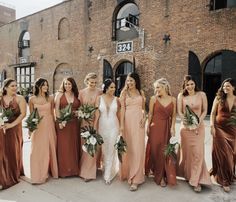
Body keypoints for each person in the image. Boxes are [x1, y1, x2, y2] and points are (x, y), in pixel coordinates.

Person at [177, 75, 211, 192]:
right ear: (184, 86)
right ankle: (188, 175)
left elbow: (205, 110)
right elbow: (180, 112)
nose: (190, 86)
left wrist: (197, 121)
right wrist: (186, 121)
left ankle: (196, 180)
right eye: (187, 85)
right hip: (185, 129)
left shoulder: (202, 95)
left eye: (192, 84)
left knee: (197, 153)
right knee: (187, 154)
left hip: (198, 128)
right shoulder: (181, 96)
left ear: (195, 84)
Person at [145, 78, 176, 187]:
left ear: (164, 87)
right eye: (155, 87)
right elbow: (150, 114)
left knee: (164, 152)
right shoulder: (153, 99)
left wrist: (173, 128)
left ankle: (162, 176)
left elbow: (174, 116)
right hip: (155, 127)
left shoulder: (173, 100)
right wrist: (148, 127)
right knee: (155, 151)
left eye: (158, 87)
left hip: (166, 128)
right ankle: (156, 171)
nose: (156, 89)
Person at [120, 72, 146, 191]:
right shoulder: (124, 93)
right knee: (129, 149)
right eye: (128, 81)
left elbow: (143, 109)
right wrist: (121, 125)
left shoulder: (141, 93)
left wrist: (144, 118)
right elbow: (122, 110)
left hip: (139, 124)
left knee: (138, 149)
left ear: (136, 81)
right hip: (127, 122)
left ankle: (137, 178)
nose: (129, 83)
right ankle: (128, 173)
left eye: (131, 80)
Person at [28, 78, 58, 184]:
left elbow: (52, 113)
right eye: (43, 85)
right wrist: (30, 129)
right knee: (37, 150)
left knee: (49, 148)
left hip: (49, 125)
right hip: (38, 126)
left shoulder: (50, 98)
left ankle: (49, 171)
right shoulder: (32, 99)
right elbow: (31, 116)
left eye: (47, 85)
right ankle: (38, 174)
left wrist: (56, 126)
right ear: (38, 86)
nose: (46, 87)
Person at [210, 78, 236, 192]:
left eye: (228, 86)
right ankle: (224, 180)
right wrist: (211, 126)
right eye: (224, 86)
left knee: (231, 154)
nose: (225, 88)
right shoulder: (218, 98)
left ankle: (230, 174)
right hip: (219, 129)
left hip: (233, 130)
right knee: (223, 154)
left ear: (233, 88)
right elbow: (212, 113)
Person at [0, 78, 26, 189]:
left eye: (16, 85)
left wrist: (11, 125)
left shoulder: (20, 98)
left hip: (15, 128)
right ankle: (3, 176)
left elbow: (23, 114)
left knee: (13, 150)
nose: (15, 88)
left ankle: (13, 175)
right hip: (2, 128)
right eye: (12, 86)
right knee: (2, 152)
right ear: (5, 87)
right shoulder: (0, 98)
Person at [94, 79, 119, 184]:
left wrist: (121, 127)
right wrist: (95, 127)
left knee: (112, 148)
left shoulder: (117, 99)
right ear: (106, 88)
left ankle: (107, 175)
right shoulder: (99, 98)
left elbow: (120, 113)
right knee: (104, 149)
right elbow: (96, 114)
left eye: (114, 87)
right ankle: (106, 167)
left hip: (114, 126)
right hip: (102, 126)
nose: (113, 89)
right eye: (111, 87)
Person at [55, 77, 81, 177]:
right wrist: (60, 121)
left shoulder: (76, 95)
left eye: (69, 84)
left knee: (73, 145)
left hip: (74, 124)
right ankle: (64, 171)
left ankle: (74, 170)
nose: (67, 86)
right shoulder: (59, 94)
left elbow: (79, 107)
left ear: (73, 85)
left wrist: (78, 112)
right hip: (62, 124)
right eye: (65, 84)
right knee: (64, 146)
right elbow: (56, 109)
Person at [79, 72, 102, 181]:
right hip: (84, 122)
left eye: (95, 82)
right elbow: (79, 107)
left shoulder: (100, 92)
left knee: (93, 146)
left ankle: (91, 171)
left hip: (96, 121)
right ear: (87, 81)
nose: (93, 84)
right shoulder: (81, 93)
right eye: (91, 82)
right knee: (85, 146)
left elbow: (100, 108)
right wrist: (83, 114)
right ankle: (85, 169)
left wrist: (95, 121)